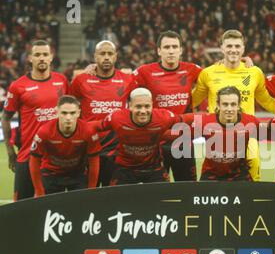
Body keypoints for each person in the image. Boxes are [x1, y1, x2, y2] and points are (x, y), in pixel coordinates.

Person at [192, 29, 275, 181]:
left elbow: (266, 100)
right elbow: (193, 101)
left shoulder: (254, 72)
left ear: (243, 48)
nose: (233, 50)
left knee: (254, 163)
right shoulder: (208, 73)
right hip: (217, 133)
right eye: (229, 46)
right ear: (222, 48)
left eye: (237, 46)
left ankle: (250, 201)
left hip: (247, 131)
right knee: (217, 174)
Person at [1, 40, 69, 201]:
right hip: (28, 154)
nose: (42, 58)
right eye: (37, 55)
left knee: (54, 206)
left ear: (51, 57)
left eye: (45, 54)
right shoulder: (18, 86)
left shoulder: (62, 81)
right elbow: (5, 118)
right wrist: (10, 152)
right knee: (22, 205)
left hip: (56, 156)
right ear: (30, 58)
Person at [132, 31, 202, 182]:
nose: (171, 50)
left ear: (181, 50)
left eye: (175, 46)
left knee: (187, 190)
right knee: (158, 192)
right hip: (157, 143)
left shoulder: (191, 69)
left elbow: (217, 76)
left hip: (183, 142)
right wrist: (94, 69)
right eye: (167, 47)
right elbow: (121, 81)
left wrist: (242, 62)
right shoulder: (145, 72)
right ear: (159, 50)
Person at [71, 40, 135, 187]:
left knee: (112, 199)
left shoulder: (128, 79)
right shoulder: (81, 80)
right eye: (102, 54)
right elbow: (70, 107)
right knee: (87, 198)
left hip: (116, 151)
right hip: (88, 149)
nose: (106, 57)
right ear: (95, 56)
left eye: (110, 54)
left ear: (116, 56)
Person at [90, 88, 181, 185]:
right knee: (116, 199)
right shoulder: (117, 118)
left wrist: (194, 133)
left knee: (165, 198)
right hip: (124, 169)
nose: (143, 111)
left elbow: (190, 119)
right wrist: (78, 131)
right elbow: (95, 126)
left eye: (147, 106)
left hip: (153, 168)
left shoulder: (163, 117)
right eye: (138, 106)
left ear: (152, 105)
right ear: (130, 106)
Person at [183, 86, 260, 181]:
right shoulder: (204, 122)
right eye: (225, 104)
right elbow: (181, 136)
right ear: (218, 105)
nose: (229, 109)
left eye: (233, 104)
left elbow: (274, 135)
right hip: (210, 176)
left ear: (239, 105)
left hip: (240, 176)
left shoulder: (250, 122)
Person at [29, 96, 101, 196]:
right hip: (51, 174)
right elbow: (34, 161)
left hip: (77, 174)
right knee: (49, 210)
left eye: (72, 113)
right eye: (64, 113)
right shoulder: (44, 132)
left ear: (78, 113)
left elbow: (94, 162)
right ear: (57, 112)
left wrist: (92, 189)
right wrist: (39, 190)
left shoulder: (88, 132)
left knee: (80, 209)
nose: (68, 118)